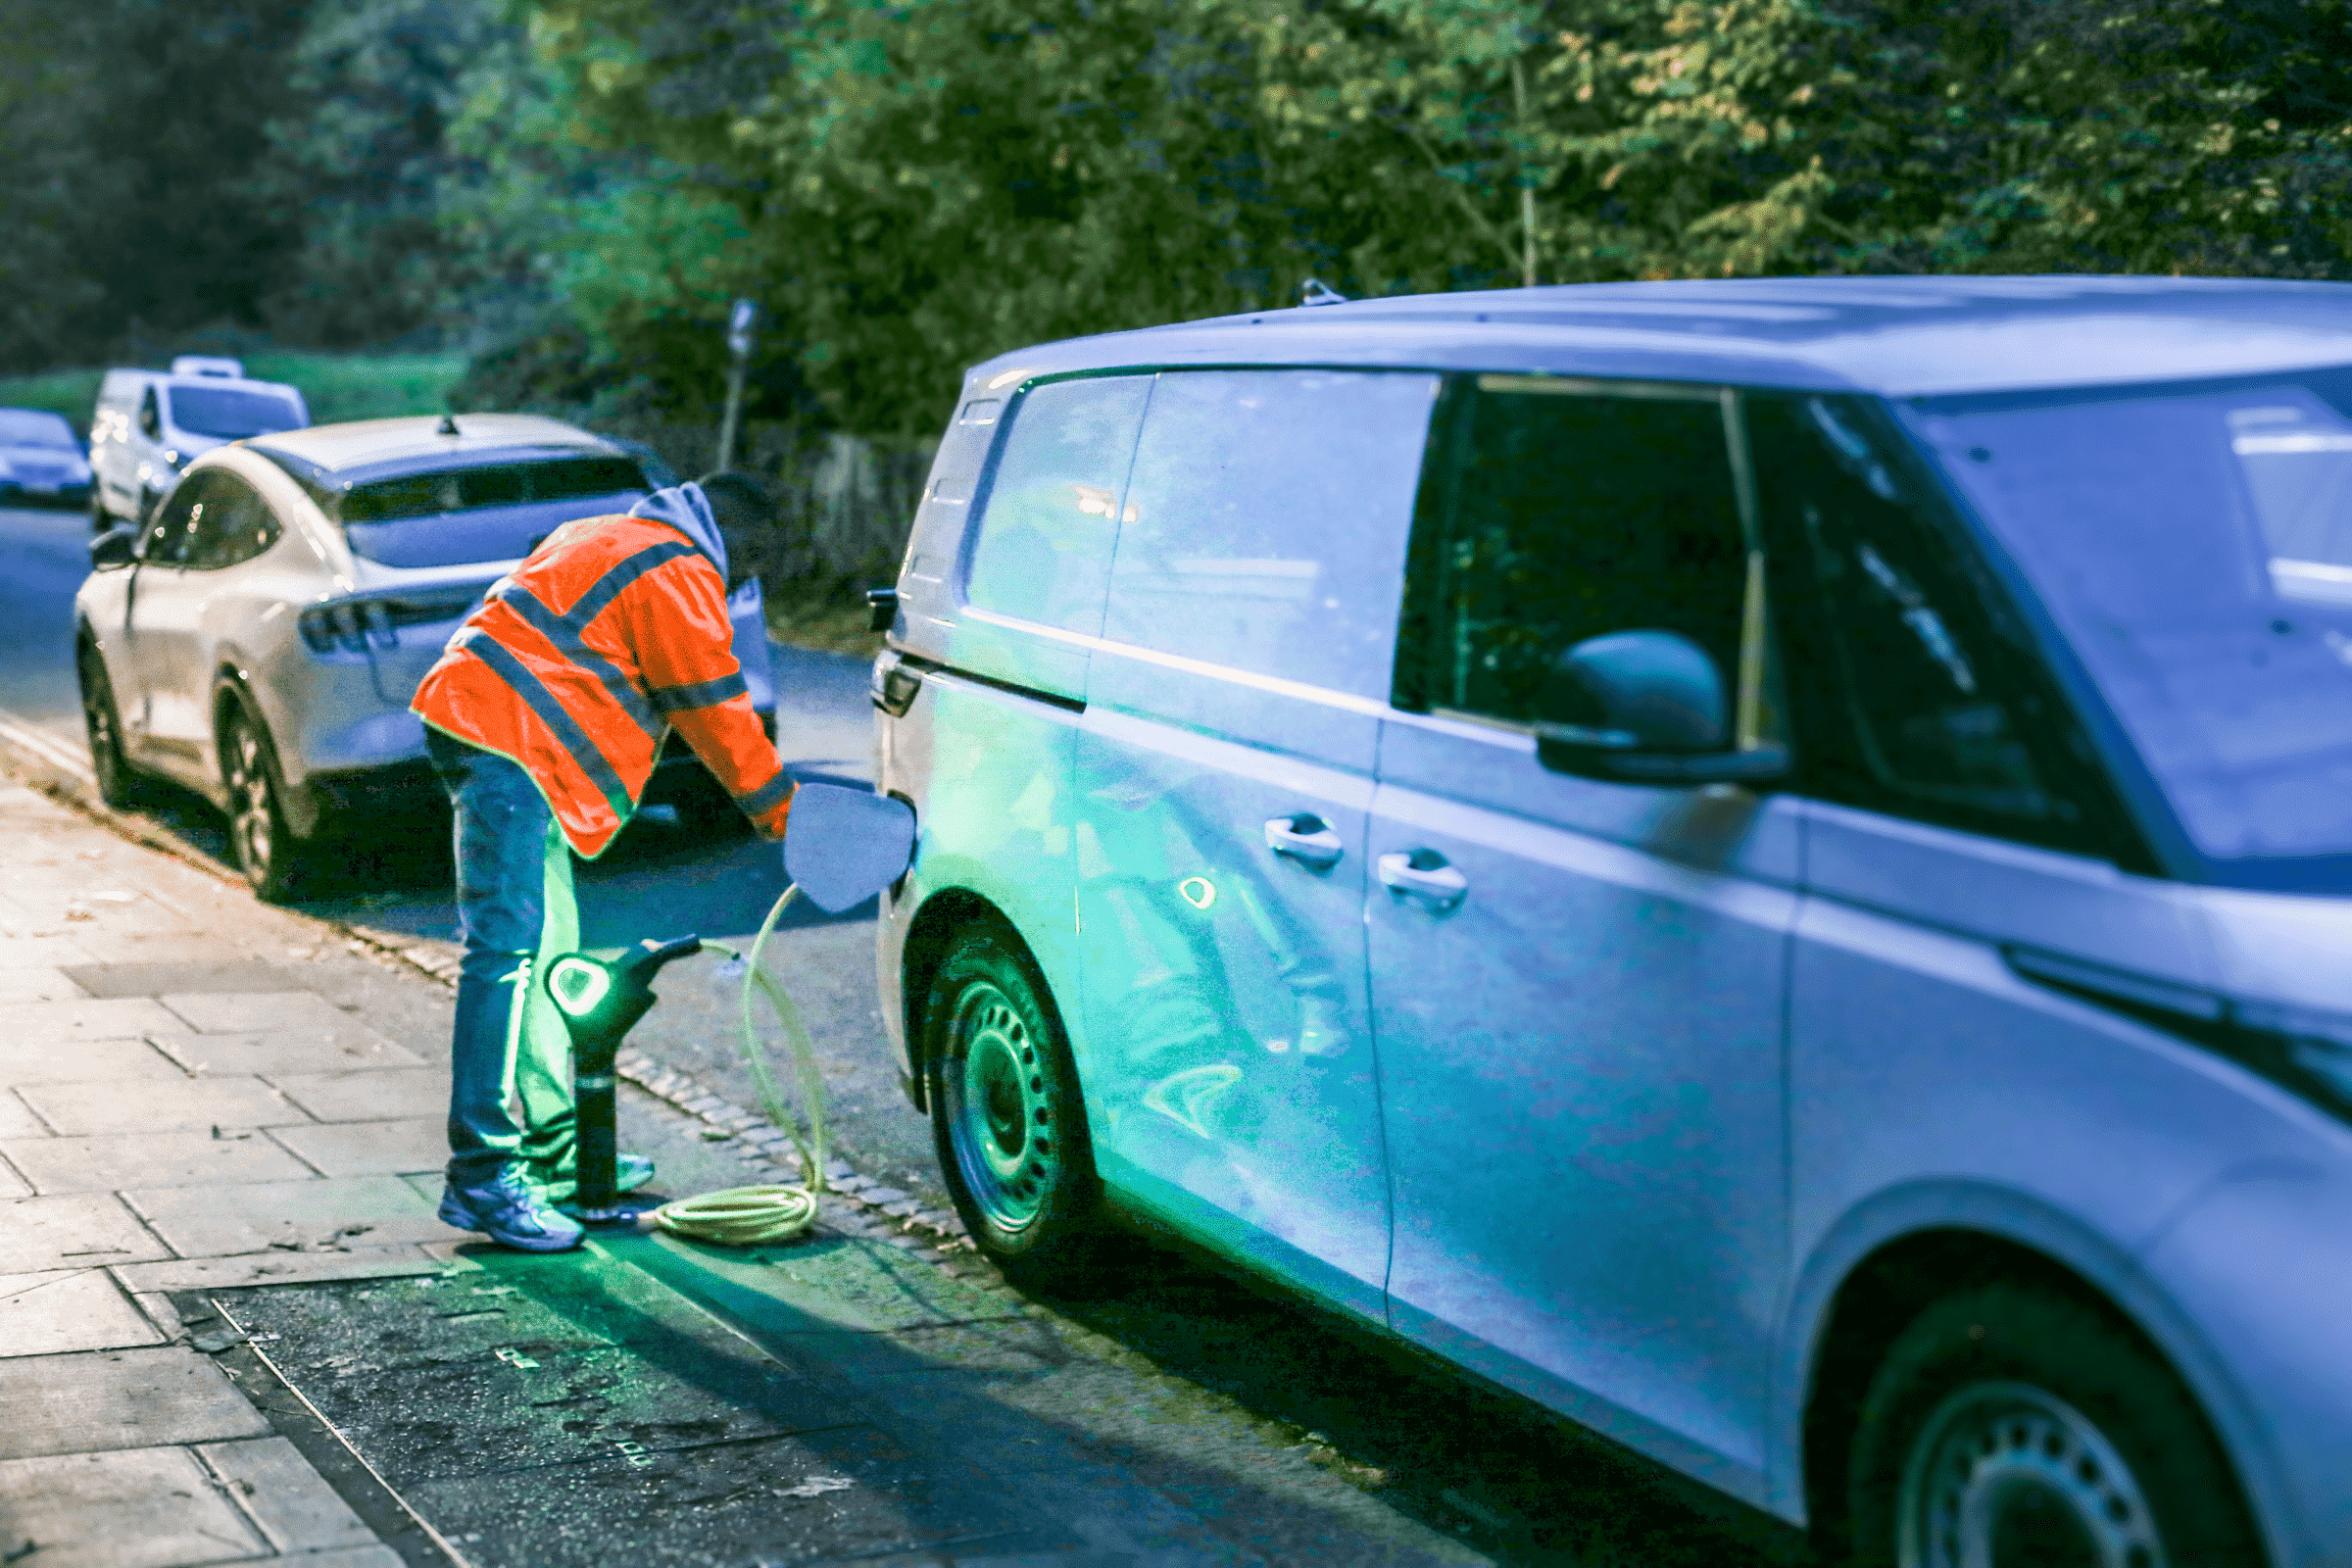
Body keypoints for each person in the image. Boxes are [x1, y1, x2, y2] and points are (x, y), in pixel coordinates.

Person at [411, 471, 794, 1251]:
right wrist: (781, 814)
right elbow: (716, 708)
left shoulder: (604, 533)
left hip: (493, 733)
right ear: (734, 537)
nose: (744, 584)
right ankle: (482, 1175)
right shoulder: (675, 568)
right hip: (508, 746)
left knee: (547, 950)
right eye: (752, 567)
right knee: (506, 956)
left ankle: (556, 1151)